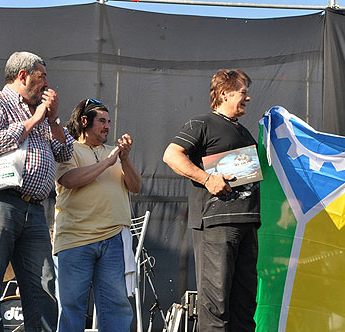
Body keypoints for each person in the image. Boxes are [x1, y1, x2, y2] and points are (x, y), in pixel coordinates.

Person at [0, 51, 74, 332]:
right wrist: (35, 118)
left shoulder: (43, 116)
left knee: (43, 284)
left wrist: (52, 120)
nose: (47, 84)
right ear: (23, 75)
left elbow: (65, 153)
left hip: (35, 208)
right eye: (42, 77)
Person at [163, 69, 260, 332]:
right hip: (217, 224)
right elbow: (171, 155)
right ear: (224, 93)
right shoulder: (202, 123)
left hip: (248, 224)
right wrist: (207, 179)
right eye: (243, 92)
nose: (247, 98)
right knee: (216, 303)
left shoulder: (245, 132)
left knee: (245, 304)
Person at [53, 98, 142, 332]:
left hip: (113, 240)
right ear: (85, 121)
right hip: (76, 241)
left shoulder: (114, 154)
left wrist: (124, 159)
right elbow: (69, 180)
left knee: (116, 307)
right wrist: (108, 162)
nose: (107, 127)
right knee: (72, 307)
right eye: (102, 121)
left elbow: (136, 187)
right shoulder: (67, 148)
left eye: (109, 122)